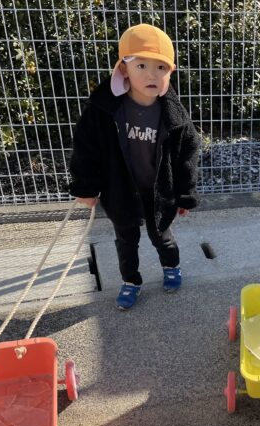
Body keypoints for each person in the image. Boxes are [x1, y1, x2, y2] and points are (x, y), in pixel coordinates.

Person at [69, 24, 200, 310]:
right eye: (141, 65)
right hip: (120, 190)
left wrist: (185, 193)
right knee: (126, 241)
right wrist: (85, 187)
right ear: (124, 69)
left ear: (170, 73)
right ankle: (131, 281)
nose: (152, 75)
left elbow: (187, 153)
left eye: (161, 67)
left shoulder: (173, 114)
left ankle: (171, 267)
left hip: (159, 191)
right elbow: (85, 148)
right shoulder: (104, 110)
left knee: (162, 235)